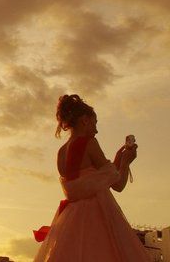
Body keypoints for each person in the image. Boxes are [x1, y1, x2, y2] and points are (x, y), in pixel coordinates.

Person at [33, 94, 149, 261]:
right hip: (96, 215)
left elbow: (91, 181)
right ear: (85, 120)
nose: (96, 129)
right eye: (95, 123)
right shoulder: (89, 143)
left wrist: (116, 159)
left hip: (71, 219)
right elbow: (117, 184)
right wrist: (126, 162)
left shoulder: (61, 152)